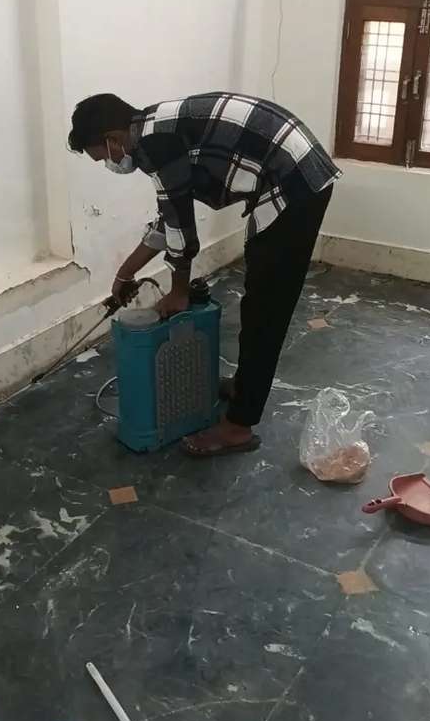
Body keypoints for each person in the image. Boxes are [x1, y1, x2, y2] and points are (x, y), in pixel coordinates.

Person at [68, 92, 341, 456]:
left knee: (266, 308)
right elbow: (170, 217)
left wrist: (178, 292)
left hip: (295, 181)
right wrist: (125, 272)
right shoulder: (153, 128)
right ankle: (243, 388)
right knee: (260, 298)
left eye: (104, 156)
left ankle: (238, 426)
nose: (110, 163)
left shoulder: (156, 144)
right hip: (293, 169)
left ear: (113, 139)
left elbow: (181, 227)